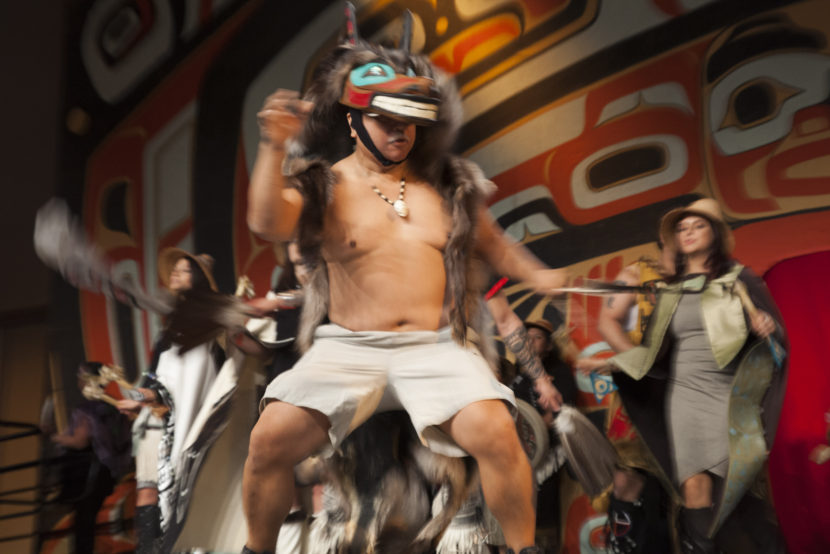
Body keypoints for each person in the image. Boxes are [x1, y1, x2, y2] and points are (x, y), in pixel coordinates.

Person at [242, 8, 567, 554]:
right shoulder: (324, 185)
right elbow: (266, 223)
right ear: (353, 120)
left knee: (497, 433)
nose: (400, 132)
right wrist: (274, 146)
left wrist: (543, 276)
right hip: (348, 348)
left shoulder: (447, 188)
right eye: (386, 120)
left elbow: (497, 248)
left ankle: (525, 551)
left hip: (435, 347)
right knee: (269, 440)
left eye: (410, 121)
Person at [582, 198, 788, 553]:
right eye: (682, 228)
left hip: (729, 398)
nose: (689, 233)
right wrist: (616, 364)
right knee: (693, 486)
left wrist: (766, 329)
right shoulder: (670, 291)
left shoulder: (739, 280)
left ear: (715, 234)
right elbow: (655, 355)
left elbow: (778, 345)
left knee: (735, 491)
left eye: (698, 225)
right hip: (684, 397)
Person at [117, 247, 223, 552]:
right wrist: (137, 399)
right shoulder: (167, 333)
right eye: (174, 268)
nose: (174, 274)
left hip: (190, 424)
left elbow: (195, 382)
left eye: (184, 269)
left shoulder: (207, 333)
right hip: (156, 421)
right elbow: (153, 379)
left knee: (183, 496)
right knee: (147, 492)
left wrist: (144, 397)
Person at [575, 250, 672, 554]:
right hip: (640, 393)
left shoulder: (693, 279)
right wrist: (639, 363)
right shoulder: (636, 275)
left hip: (681, 392)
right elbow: (607, 322)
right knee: (628, 478)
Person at [51, 361, 132, 553]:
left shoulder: (86, 410)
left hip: (88, 474)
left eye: (81, 376)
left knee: (83, 524)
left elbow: (80, 441)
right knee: (90, 521)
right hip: (108, 473)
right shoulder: (115, 407)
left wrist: (56, 437)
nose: (78, 380)